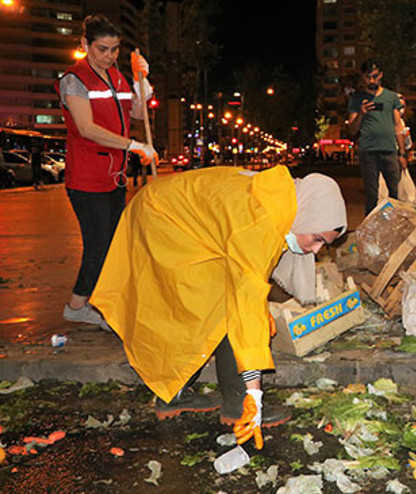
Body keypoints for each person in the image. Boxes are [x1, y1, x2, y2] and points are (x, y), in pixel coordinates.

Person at [90, 166, 347, 450]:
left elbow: (248, 272)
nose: (316, 251)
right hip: (162, 219)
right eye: (317, 239)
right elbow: (245, 303)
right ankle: (236, 402)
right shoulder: (260, 221)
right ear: (307, 215)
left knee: (216, 301)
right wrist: (255, 395)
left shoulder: (284, 200)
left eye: (324, 244)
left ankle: (176, 393)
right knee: (211, 306)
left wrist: (256, 307)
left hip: (173, 212)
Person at [55, 14, 157, 328]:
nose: (109, 56)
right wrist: (133, 145)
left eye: (114, 49)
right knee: (98, 246)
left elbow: (136, 114)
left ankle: (97, 304)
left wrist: (142, 87)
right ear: (85, 44)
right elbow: (86, 128)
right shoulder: (74, 80)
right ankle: (78, 305)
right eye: (102, 49)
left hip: (114, 176)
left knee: (114, 245)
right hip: (86, 177)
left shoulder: (117, 77)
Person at [347, 59, 408, 214]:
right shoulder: (357, 98)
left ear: (381, 75)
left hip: (389, 150)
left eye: (375, 76)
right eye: (368, 77)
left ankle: (393, 224)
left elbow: (397, 125)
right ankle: (371, 226)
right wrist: (361, 113)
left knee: (394, 193)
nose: (372, 80)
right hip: (368, 151)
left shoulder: (391, 97)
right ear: (363, 77)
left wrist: (402, 153)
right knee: (371, 194)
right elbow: (352, 129)